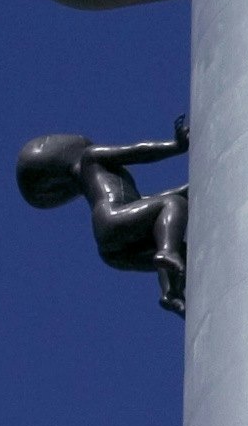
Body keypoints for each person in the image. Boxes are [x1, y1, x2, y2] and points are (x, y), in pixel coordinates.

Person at [16, 119, 190, 313]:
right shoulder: (91, 158)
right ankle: (168, 251)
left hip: (110, 248)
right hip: (113, 217)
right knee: (173, 205)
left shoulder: (90, 178)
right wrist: (175, 146)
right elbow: (138, 151)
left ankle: (171, 292)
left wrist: (186, 190)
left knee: (181, 249)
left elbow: (144, 204)